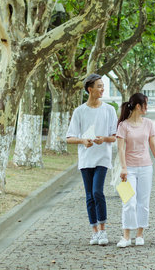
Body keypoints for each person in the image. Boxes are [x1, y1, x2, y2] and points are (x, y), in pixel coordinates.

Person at [66, 74, 118, 246]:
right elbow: (70, 138)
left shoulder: (109, 110)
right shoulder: (79, 111)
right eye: (99, 86)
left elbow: (114, 137)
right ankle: (94, 231)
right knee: (89, 196)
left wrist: (103, 138)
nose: (102, 89)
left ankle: (103, 230)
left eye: (103, 86)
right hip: (86, 159)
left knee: (97, 192)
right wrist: (82, 140)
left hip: (102, 157)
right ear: (90, 89)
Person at [116, 93, 155, 248]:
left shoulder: (149, 123)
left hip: (145, 167)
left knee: (143, 202)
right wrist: (123, 167)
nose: (147, 107)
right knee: (128, 202)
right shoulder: (123, 125)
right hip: (128, 169)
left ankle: (140, 234)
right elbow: (120, 149)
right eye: (146, 104)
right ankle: (126, 236)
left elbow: (153, 145)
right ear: (138, 106)